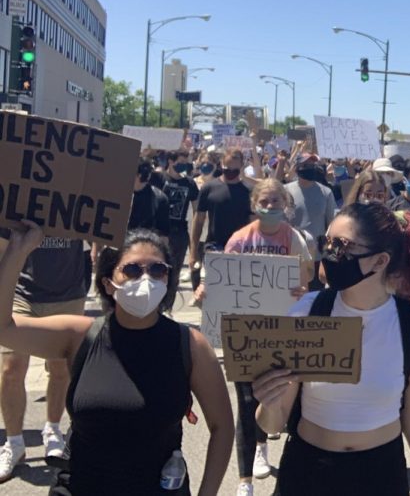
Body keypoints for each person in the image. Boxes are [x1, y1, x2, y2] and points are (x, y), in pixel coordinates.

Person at [0, 224, 233, 495]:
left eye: (158, 270)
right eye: (132, 270)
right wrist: (18, 250)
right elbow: (5, 329)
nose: (146, 279)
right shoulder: (79, 336)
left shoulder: (191, 345)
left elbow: (222, 427)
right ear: (108, 284)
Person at [252, 203, 410, 496]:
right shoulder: (307, 313)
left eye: (340, 246)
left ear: (379, 261)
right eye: (325, 242)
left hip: (381, 474)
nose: (328, 254)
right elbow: (273, 422)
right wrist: (268, 401)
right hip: (309, 471)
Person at [225, 179, 311, 496]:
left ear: (285, 204)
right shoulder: (240, 239)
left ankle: (263, 444)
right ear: (254, 203)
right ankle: (244, 479)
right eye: (266, 199)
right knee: (247, 402)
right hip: (246, 332)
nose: (271, 205)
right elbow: (226, 281)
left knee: (276, 395)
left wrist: (301, 288)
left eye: (277, 200)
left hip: (282, 331)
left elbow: (306, 275)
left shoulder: (293, 238)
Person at [0, 234, 87, 482]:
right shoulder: (24, 195)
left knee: (60, 369)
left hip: (68, 293)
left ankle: (52, 429)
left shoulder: (84, 193)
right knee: (11, 369)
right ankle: (14, 442)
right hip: (22, 291)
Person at [191, 149, 254, 303]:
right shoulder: (209, 188)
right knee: (211, 294)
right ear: (221, 165)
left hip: (241, 250)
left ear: (242, 166)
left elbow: (254, 224)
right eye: (227, 169)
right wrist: (193, 252)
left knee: (236, 295)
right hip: (214, 247)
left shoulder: (249, 191)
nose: (231, 172)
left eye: (235, 170)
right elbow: (198, 220)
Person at [286, 152, 337, 290]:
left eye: (312, 165)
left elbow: (331, 226)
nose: (310, 167)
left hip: (316, 257)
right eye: (305, 165)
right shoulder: (285, 191)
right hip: (291, 255)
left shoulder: (326, 193)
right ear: (297, 167)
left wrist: (329, 255)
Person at [161, 150, 200, 281]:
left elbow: (197, 210)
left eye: (185, 163)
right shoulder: (159, 179)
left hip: (179, 233)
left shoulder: (189, 183)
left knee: (174, 273)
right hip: (159, 231)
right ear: (171, 161)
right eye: (180, 162)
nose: (183, 166)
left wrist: (193, 237)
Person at [130, 158, 171, 239]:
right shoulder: (120, 194)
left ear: (139, 175)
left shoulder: (159, 198)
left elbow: (163, 233)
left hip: (144, 244)